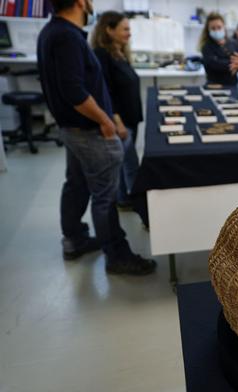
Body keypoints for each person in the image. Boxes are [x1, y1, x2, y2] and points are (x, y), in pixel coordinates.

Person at [38, 0, 156, 275]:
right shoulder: (67, 36)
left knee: (77, 184)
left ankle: (74, 238)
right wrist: (106, 120)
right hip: (89, 131)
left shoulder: (53, 31)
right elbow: (75, 92)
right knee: (104, 197)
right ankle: (117, 255)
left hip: (74, 130)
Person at [91, 11, 142, 209]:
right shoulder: (102, 56)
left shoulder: (119, 52)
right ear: (109, 30)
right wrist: (117, 121)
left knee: (125, 163)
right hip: (121, 121)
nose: (129, 33)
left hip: (131, 117)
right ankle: (137, 204)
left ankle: (124, 198)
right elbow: (106, 92)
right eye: (125, 29)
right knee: (129, 165)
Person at [199, 12, 238, 86]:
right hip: (214, 86)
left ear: (224, 27)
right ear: (208, 30)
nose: (216, 30)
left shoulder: (233, 43)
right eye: (213, 28)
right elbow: (216, 65)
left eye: (219, 27)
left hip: (233, 85)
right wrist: (234, 64)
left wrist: (237, 64)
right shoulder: (206, 47)